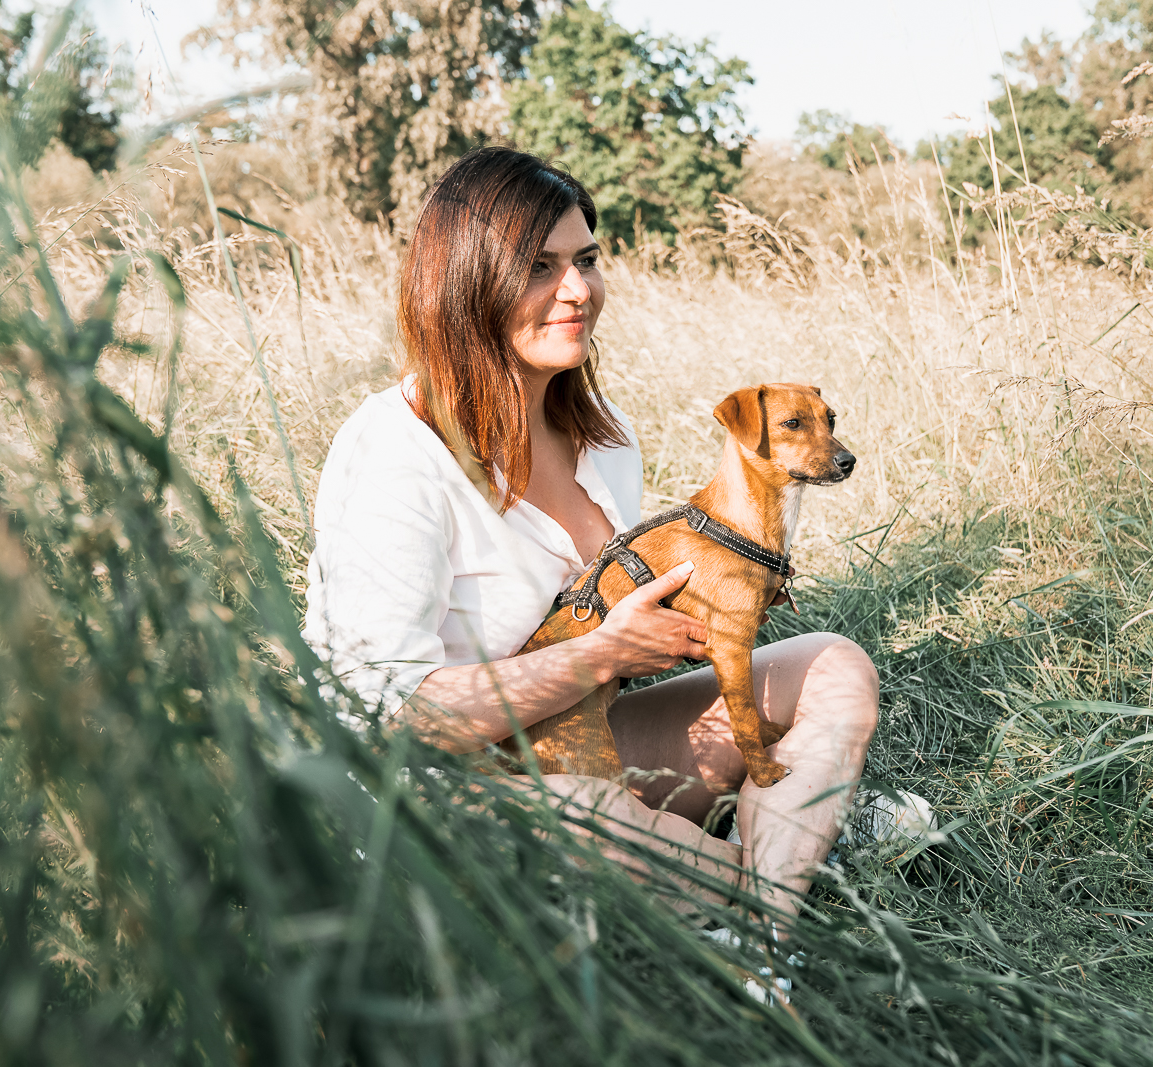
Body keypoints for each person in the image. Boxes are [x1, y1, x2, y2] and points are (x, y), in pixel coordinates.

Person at [302, 146, 880, 925]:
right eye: (540, 266)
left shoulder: (606, 442)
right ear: (468, 285)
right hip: (437, 789)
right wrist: (604, 652)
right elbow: (395, 715)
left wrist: (707, 608)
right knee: (577, 815)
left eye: (587, 259)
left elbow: (615, 621)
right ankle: (785, 881)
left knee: (833, 666)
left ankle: (759, 901)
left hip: (584, 735)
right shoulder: (393, 454)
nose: (578, 290)